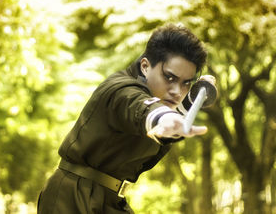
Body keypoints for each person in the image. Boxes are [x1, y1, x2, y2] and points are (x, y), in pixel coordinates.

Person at [37, 24, 216, 213]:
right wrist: (162, 118)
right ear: (146, 66)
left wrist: (190, 102)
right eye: (169, 78)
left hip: (111, 200)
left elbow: (166, 115)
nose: (177, 91)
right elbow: (139, 107)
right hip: (72, 197)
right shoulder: (119, 89)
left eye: (186, 83)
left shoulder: (164, 103)